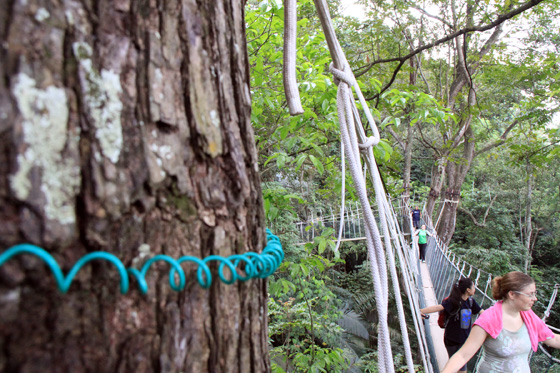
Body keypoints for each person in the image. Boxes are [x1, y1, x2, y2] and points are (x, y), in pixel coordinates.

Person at [442, 271, 560, 373]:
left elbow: (553, 339)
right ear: (512, 294)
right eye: (530, 294)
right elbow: (463, 355)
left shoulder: (529, 316)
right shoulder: (489, 319)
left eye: (535, 293)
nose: (535, 298)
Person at [421, 278, 483, 373]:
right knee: (458, 367)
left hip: (465, 340)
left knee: (457, 366)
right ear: (468, 289)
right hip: (451, 340)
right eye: (473, 286)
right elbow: (439, 307)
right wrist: (420, 311)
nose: (475, 289)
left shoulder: (471, 302)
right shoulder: (453, 301)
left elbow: (481, 312)